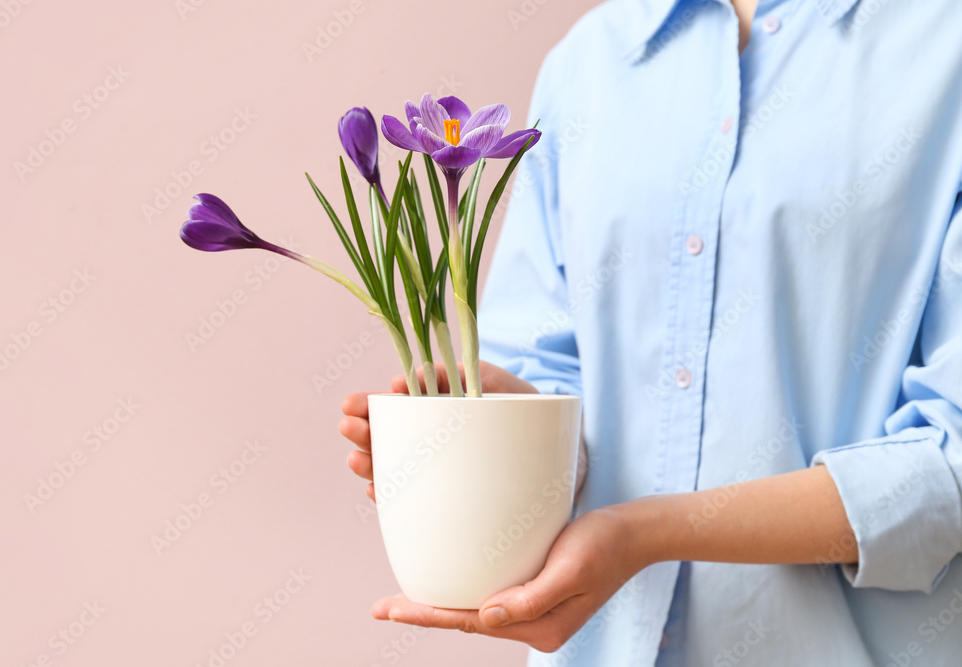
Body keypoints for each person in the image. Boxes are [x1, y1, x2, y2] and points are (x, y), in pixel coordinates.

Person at [339, 0, 962, 664]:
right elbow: (548, 362)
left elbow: (952, 458)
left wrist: (644, 533)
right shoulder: (589, 63)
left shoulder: (942, 44)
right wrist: (510, 435)